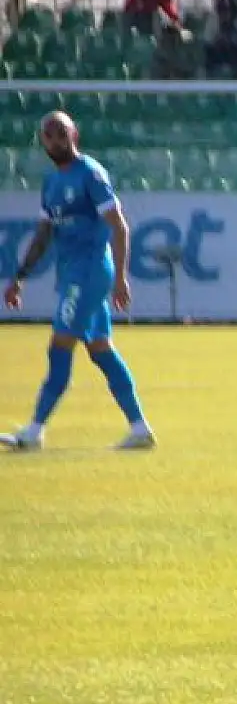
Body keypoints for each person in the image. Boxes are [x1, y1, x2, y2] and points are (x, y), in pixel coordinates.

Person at [2, 112, 154, 452]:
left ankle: (34, 430)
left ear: (75, 135)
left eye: (61, 133)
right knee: (100, 350)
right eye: (49, 135)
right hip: (73, 274)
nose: (55, 139)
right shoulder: (51, 182)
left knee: (59, 346)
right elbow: (43, 235)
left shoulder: (91, 174)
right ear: (42, 141)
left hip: (89, 273)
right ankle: (140, 428)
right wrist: (20, 278)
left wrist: (121, 279)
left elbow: (119, 226)